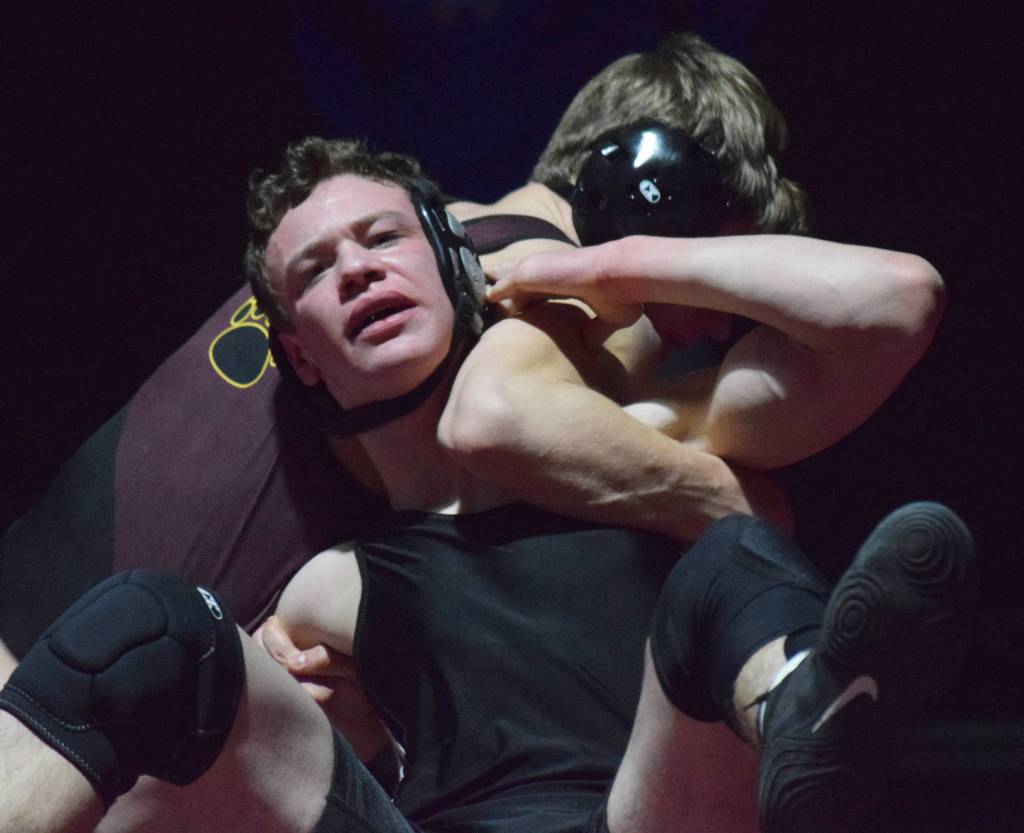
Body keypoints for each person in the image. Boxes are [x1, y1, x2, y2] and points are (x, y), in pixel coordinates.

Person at [0, 142, 976, 833]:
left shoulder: (643, 449)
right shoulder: (323, 585)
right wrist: (338, 720)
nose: (357, 272)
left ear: (457, 256)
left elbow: (897, 302)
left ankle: (814, 705)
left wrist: (612, 265)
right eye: (319, 268)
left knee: (731, 556)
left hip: (643, 803)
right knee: (151, 622)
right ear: (297, 354)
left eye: (381, 239)